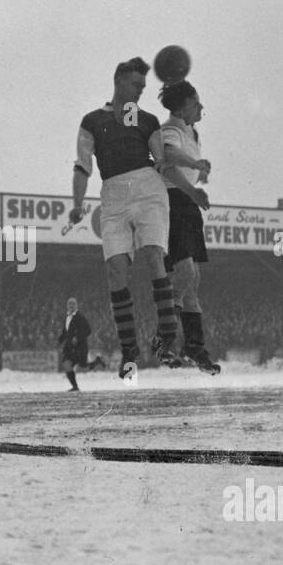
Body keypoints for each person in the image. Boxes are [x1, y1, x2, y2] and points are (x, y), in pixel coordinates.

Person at [70, 56, 182, 376]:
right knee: (115, 272)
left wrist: (170, 167)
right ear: (119, 80)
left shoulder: (147, 121)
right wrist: (77, 204)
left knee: (153, 255)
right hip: (113, 193)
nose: (140, 91)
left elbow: (160, 159)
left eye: (144, 87)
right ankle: (129, 350)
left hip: (148, 188)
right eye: (136, 84)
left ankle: (166, 339)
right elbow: (82, 166)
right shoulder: (92, 120)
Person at [158, 79, 220, 374]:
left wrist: (200, 174)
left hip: (187, 204)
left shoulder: (192, 132)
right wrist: (195, 174)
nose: (201, 107)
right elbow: (169, 159)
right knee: (186, 274)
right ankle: (165, 337)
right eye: (196, 103)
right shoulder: (169, 129)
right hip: (172, 202)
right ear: (182, 107)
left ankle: (194, 348)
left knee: (193, 281)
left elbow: (186, 164)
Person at [57, 297, 92, 391]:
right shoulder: (67, 318)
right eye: (69, 304)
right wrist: (60, 340)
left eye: (73, 304)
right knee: (66, 364)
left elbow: (88, 331)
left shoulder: (80, 317)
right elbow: (66, 332)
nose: (71, 305)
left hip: (80, 347)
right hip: (69, 347)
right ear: (67, 306)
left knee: (83, 367)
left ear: (76, 305)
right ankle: (75, 386)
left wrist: (77, 337)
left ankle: (98, 361)